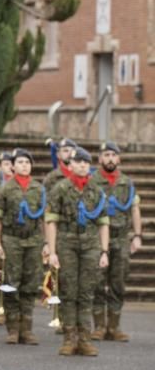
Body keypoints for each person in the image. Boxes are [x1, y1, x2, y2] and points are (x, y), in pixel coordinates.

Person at [45, 147, 109, 356]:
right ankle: (69, 338)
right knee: (69, 291)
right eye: (78, 161)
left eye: (86, 161)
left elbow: (103, 223)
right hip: (67, 244)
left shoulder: (96, 190)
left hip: (90, 245)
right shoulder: (60, 188)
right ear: (70, 165)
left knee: (86, 292)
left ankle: (85, 338)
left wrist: (104, 251)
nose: (82, 165)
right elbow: (51, 221)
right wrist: (52, 250)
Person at [0, 148, 46, 345]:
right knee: (11, 283)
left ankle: (26, 330)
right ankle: (13, 329)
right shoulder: (5, 188)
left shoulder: (38, 189)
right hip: (11, 239)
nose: (24, 165)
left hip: (33, 240)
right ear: (12, 166)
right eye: (20, 162)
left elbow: (45, 218)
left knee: (30, 285)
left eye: (27, 162)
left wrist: (46, 243)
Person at [90, 142, 142, 342]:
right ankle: (99, 326)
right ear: (100, 159)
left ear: (118, 159)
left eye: (113, 154)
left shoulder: (127, 182)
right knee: (96, 282)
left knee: (118, 283)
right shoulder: (91, 182)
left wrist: (137, 235)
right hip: (96, 239)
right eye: (106, 155)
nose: (110, 158)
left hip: (120, 238)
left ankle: (114, 326)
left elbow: (135, 208)